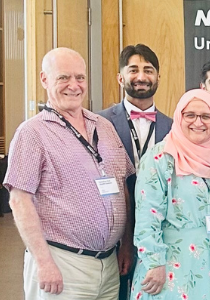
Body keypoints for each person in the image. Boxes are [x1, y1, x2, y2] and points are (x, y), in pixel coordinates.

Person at [5, 47, 135, 300]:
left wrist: (126, 244)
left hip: (108, 266)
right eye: (63, 78)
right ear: (44, 79)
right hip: (61, 264)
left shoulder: (104, 126)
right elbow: (19, 201)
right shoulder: (32, 133)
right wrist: (44, 263)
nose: (73, 86)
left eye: (80, 78)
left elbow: (122, 187)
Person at [129, 89, 210, 300]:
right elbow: (147, 216)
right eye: (190, 115)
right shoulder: (160, 159)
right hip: (174, 267)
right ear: (179, 117)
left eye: (206, 116)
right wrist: (154, 263)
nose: (198, 122)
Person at [97, 44, 174, 300]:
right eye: (134, 70)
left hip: (160, 229)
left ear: (158, 78)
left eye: (148, 70)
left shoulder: (174, 128)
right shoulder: (99, 123)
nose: (141, 77)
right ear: (120, 77)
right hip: (113, 229)